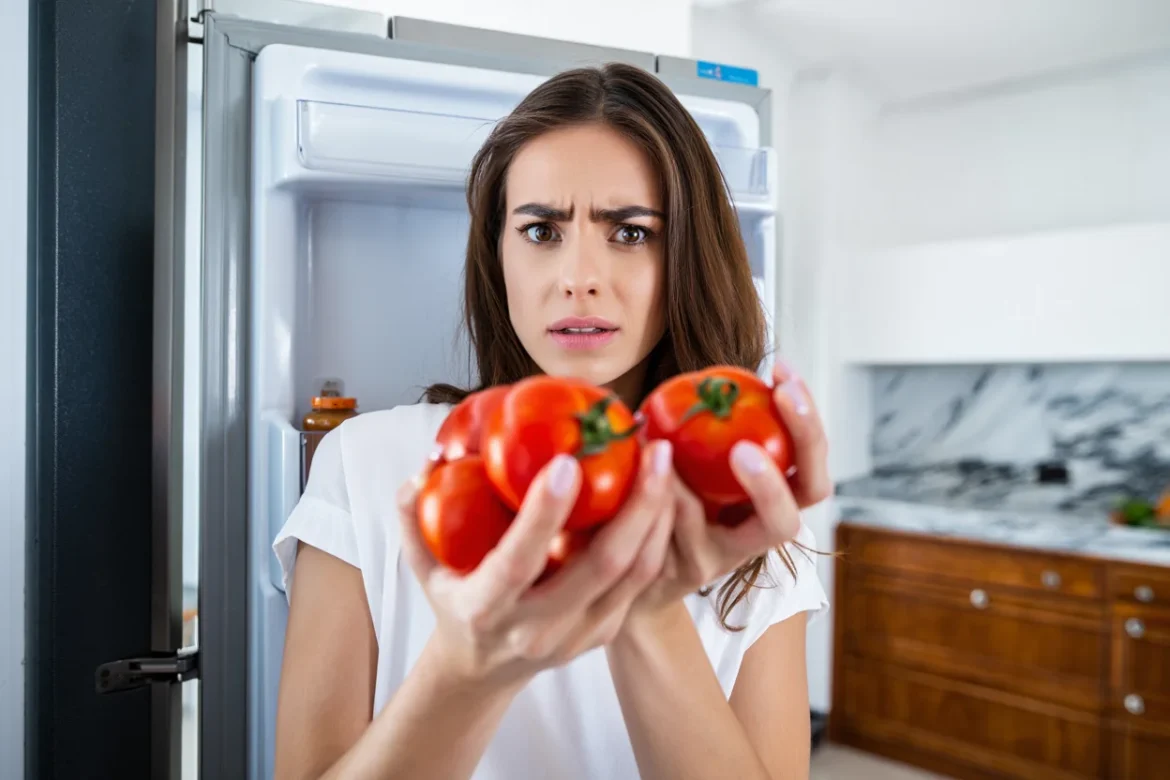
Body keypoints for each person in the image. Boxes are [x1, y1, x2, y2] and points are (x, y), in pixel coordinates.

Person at [272, 62, 831, 780]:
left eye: (630, 233)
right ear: (497, 255)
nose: (578, 276)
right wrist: (466, 670)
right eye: (541, 230)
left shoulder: (750, 523)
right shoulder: (367, 462)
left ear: (686, 259)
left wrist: (645, 604)